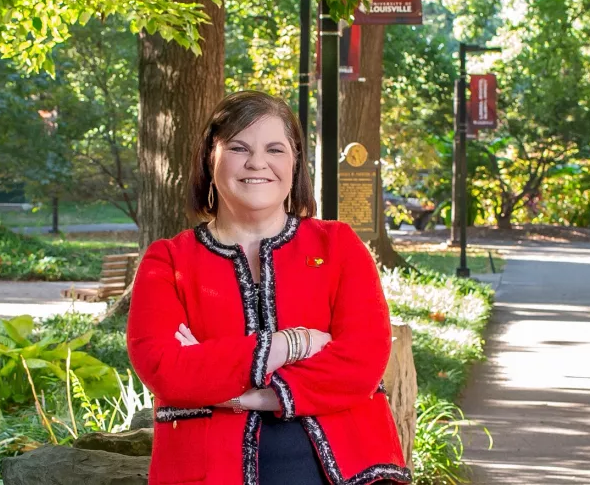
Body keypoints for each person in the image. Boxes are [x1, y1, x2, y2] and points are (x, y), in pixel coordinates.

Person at [127, 90, 411, 485]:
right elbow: (165, 368)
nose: (257, 162)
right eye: (240, 148)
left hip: (347, 470)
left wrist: (243, 393)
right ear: (211, 159)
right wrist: (293, 343)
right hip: (206, 472)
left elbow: (361, 362)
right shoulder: (169, 260)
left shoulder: (339, 246)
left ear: (295, 162)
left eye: (274, 149)